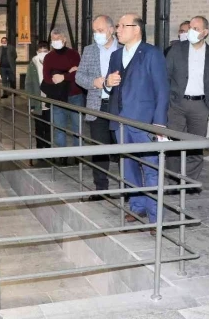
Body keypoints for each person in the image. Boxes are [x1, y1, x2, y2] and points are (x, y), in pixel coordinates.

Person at [106, 14, 170, 231]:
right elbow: (111, 87)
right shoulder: (116, 55)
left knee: (151, 170)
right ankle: (137, 206)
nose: (118, 30)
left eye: (122, 26)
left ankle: (155, 218)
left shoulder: (152, 54)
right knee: (128, 168)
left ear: (137, 29)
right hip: (120, 121)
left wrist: (159, 123)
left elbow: (162, 90)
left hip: (145, 123)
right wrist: (107, 83)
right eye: (117, 26)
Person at [165, 15, 209, 187]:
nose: (191, 31)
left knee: (196, 146)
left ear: (205, 32)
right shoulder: (176, 50)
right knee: (174, 145)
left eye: (196, 29)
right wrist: (169, 101)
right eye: (190, 27)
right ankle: (173, 181)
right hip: (177, 105)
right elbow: (165, 76)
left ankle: (189, 182)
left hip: (200, 106)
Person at [76, 15, 119, 201]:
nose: (97, 35)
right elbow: (79, 76)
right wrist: (94, 82)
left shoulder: (124, 49)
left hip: (120, 107)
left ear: (111, 29)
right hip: (97, 105)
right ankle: (101, 189)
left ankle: (129, 190)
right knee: (99, 149)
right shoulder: (89, 50)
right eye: (94, 31)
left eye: (100, 30)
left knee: (124, 149)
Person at [41, 26, 83, 150]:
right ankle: (61, 155)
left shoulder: (74, 54)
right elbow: (47, 78)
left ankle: (78, 154)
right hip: (57, 97)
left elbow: (78, 74)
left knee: (78, 128)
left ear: (64, 39)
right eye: (53, 39)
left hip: (75, 95)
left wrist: (63, 76)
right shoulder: (49, 57)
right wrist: (68, 72)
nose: (55, 41)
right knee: (59, 128)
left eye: (58, 38)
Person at [26, 41, 51, 165]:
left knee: (49, 127)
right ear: (37, 52)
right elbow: (29, 84)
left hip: (50, 102)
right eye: (40, 51)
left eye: (45, 51)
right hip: (37, 102)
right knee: (39, 128)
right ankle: (40, 150)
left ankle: (49, 151)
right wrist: (31, 104)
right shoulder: (32, 64)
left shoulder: (52, 63)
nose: (42, 53)